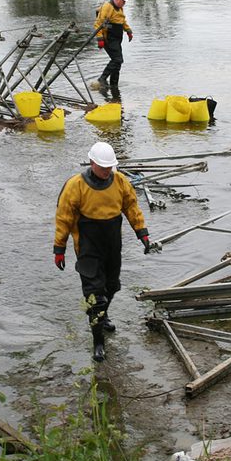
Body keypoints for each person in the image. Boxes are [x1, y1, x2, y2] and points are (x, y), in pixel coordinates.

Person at [53, 141, 152, 362]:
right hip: (88, 248)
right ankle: (98, 342)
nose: (107, 171)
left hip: (112, 244)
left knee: (112, 287)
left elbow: (131, 207)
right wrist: (60, 248)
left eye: (110, 167)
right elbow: (64, 218)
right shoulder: (75, 186)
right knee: (94, 297)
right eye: (103, 167)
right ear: (92, 163)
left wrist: (142, 232)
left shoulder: (120, 181)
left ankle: (103, 315)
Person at [91, 0, 134, 91]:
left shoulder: (119, 9)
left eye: (124, 2)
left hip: (117, 39)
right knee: (117, 59)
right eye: (123, 2)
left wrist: (128, 31)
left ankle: (114, 85)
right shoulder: (107, 7)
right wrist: (100, 39)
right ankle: (102, 78)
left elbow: (122, 21)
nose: (124, 4)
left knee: (118, 63)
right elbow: (98, 24)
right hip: (108, 38)